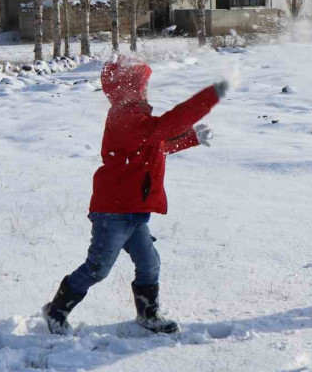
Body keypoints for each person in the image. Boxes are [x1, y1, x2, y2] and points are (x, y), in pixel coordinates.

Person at [43, 55, 228, 334]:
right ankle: (56, 310)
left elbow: (157, 144)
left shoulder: (136, 118)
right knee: (98, 268)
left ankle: (148, 314)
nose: (145, 91)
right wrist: (211, 95)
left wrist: (191, 138)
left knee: (149, 262)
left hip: (132, 210)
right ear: (126, 88)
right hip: (113, 212)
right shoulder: (123, 117)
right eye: (140, 86)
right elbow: (165, 128)